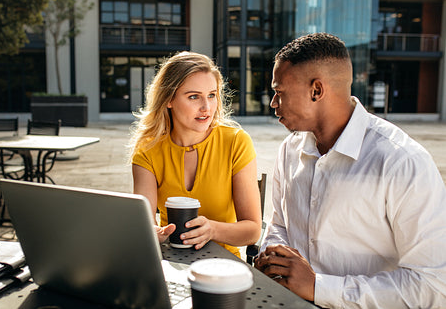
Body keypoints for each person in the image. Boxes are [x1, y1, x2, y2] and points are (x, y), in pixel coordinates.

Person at [254, 33, 446, 308]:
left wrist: (318, 287)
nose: (273, 102)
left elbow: (433, 286)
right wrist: (273, 256)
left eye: (280, 92)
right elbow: (280, 226)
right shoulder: (289, 149)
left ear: (316, 91)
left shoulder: (402, 162)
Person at [129, 51, 262, 257]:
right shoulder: (148, 150)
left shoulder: (236, 142)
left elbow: (252, 231)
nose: (206, 107)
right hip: (171, 261)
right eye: (194, 97)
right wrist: (151, 232)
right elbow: (144, 221)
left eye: (211, 95)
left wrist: (213, 230)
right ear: (168, 100)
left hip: (225, 265)